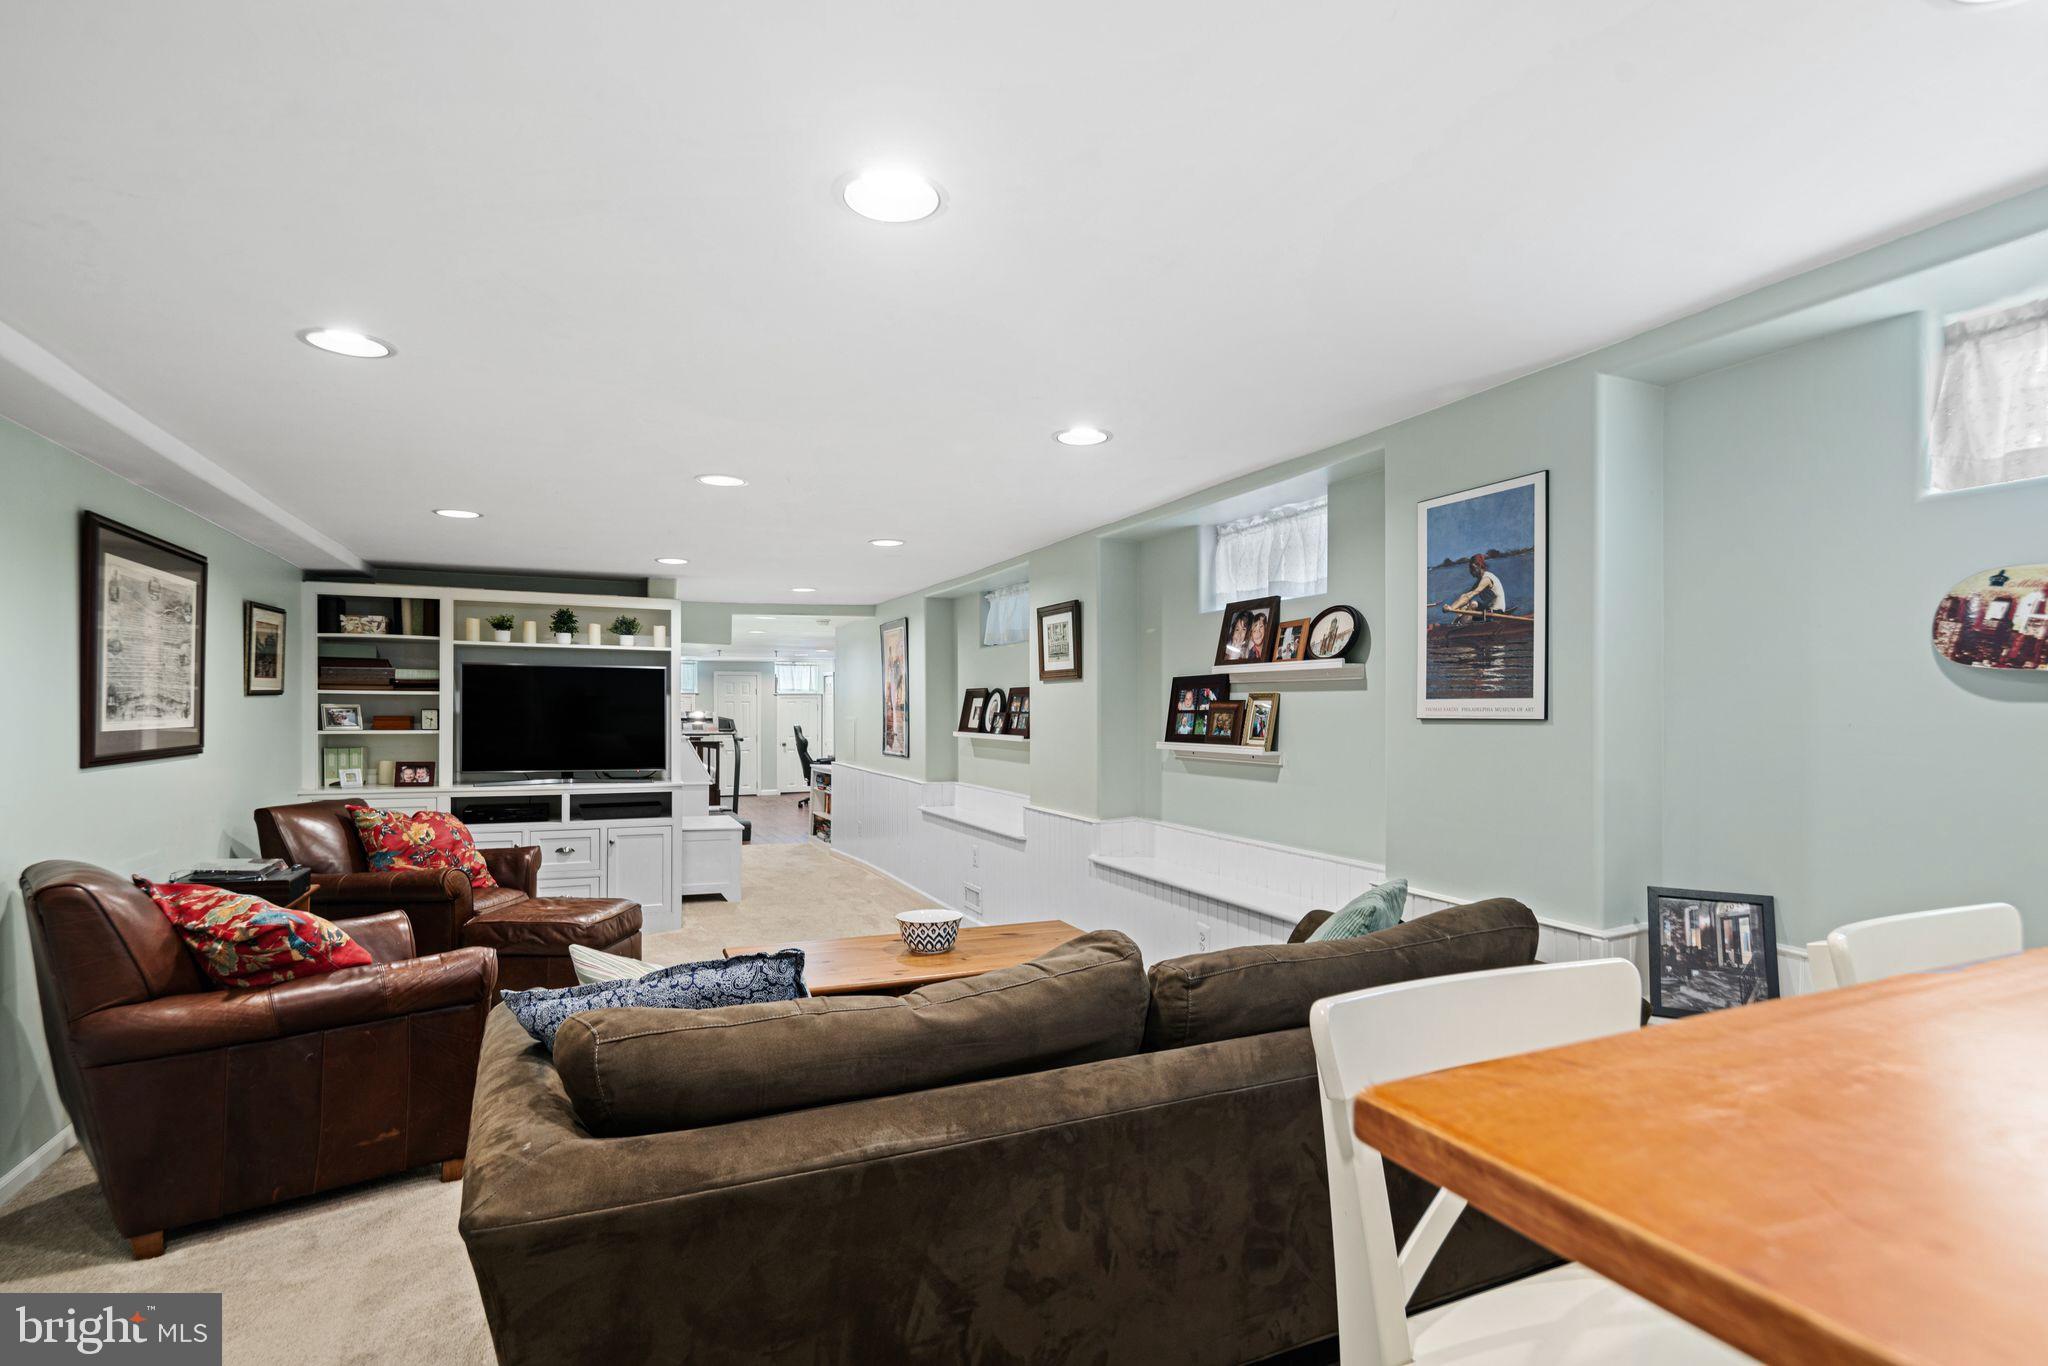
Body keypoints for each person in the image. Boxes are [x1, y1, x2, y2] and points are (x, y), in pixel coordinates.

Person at [1447, 553, 1507, 621]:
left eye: (1472, 568)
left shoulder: (1487, 579)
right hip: (1488, 612)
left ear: (1479, 565)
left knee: (1473, 604)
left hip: (1497, 613)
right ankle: (1459, 624)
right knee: (1463, 606)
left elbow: (1471, 595)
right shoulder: (1479, 581)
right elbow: (1465, 596)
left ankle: (1463, 626)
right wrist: (1451, 607)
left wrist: (1452, 609)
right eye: (1470, 568)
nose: (1470, 571)